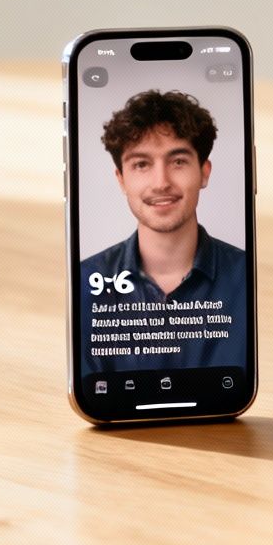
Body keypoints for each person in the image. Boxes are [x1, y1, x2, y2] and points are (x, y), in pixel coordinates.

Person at [78, 89, 246, 371]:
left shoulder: (245, 277)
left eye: (178, 161)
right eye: (141, 164)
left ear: (204, 172)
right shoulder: (86, 283)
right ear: (121, 180)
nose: (161, 183)